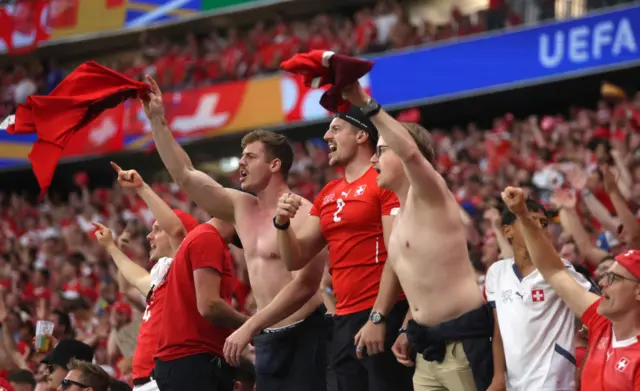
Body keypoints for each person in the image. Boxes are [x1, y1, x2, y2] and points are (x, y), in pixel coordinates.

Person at [142, 73, 327, 391]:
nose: (240, 163)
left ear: (274, 165)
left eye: (250, 157)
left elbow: (306, 286)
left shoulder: (305, 213)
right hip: (267, 340)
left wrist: (249, 325)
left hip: (306, 335)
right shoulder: (241, 207)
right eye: (241, 156)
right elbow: (185, 175)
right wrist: (158, 121)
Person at [326, 83, 493, 391]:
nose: (373, 161)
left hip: (463, 342)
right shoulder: (398, 215)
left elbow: (412, 154)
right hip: (426, 347)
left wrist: (364, 102)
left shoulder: (431, 195)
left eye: (381, 152)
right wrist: (406, 327)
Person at [275, 107, 414, 390]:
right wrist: (282, 224)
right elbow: (295, 259)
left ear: (362, 135)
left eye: (336, 129)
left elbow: (396, 252)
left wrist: (379, 316)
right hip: (344, 321)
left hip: (383, 313)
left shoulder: (383, 181)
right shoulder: (327, 193)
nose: (327, 135)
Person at [95, 162, 231, 391]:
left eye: (157, 229)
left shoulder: (187, 265)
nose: (150, 235)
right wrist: (111, 248)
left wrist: (141, 188)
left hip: (166, 376)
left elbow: (177, 230)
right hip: (147, 380)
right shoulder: (165, 278)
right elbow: (136, 280)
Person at [501, 186, 640, 391]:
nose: (601, 283)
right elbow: (554, 271)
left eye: (614, 278)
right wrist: (522, 214)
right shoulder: (602, 321)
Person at [485, 199, 593, 390]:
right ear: (508, 231)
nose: (538, 228)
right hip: (514, 381)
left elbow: (600, 313)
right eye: (530, 220)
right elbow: (498, 330)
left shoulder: (560, 270)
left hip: (553, 379)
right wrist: (498, 377)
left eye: (543, 223)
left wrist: (583, 370)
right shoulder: (496, 273)